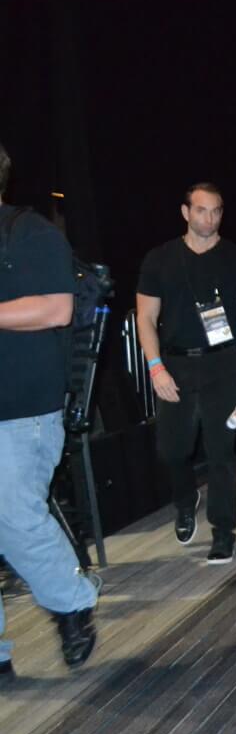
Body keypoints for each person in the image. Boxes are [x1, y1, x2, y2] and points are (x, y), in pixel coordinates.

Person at [0, 144, 99, 670]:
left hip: (21, 411)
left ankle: (71, 602)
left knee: (14, 516)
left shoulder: (30, 232)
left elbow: (58, 308)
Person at [137, 183, 236, 565]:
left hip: (222, 364)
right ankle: (185, 498)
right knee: (172, 450)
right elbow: (145, 318)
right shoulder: (159, 258)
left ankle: (223, 530)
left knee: (221, 450)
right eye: (201, 210)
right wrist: (156, 366)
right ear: (185, 212)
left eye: (216, 211)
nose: (209, 219)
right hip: (174, 364)